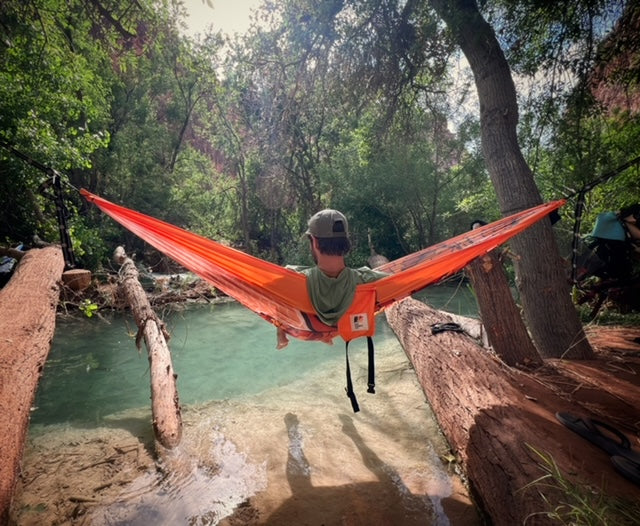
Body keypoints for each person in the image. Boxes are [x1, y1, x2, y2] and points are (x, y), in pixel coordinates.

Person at [277, 209, 388, 349]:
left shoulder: (293, 280)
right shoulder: (368, 281)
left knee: (280, 299)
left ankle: (286, 336)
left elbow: (268, 297)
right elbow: (403, 282)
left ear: (315, 242)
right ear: (346, 243)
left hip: (310, 329)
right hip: (343, 325)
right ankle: (326, 334)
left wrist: (281, 332)